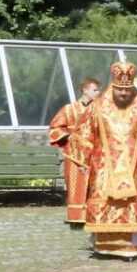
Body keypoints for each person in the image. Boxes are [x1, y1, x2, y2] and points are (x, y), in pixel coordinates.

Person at [78, 62, 137, 260]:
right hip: (102, 167)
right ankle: (102, 246)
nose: (124, 94)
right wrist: (83, 160)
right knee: (103, 203)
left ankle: (131, 246)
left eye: (127, 90)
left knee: (132, 205)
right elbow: (84, 134)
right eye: (120, 90)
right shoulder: (97, 106)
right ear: (113, 86)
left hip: (135, 166)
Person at [48, 78, 102, 229]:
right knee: (76, 186)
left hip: (94, 153)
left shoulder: (100, 109)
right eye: (95, 90)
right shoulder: (69, 109)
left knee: (95, 185)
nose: (98, 93)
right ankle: (76, 218)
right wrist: (69, 136)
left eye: (98, 90)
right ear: (85, 90)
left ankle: (93, 216)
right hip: (74, 155)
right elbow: (54, 128)